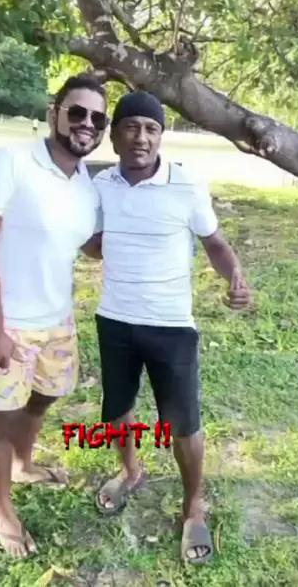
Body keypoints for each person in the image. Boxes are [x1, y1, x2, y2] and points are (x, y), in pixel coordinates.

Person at [92, 91, 250, 564]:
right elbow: (93, 243)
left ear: (161, 136)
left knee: (183, 423)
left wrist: (235, 277)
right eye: (131, 126)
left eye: (151, 128)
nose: (141, 137)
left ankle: (192, 505)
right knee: (117, 410)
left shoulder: (186, 186)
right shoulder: (100, 185)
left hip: (172, 326)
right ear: (114, 134)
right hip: (115, 319)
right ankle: (131, 471)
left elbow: (215, 243)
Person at [0, 76, 109, 558]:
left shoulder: (86, 184)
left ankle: (22, 464)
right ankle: (3, 507)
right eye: (77, 112)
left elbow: (91, 245)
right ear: (53, 113)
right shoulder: (9, 163)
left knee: (45, 397)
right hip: (10, 322)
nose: (87, 124)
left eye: (98, 118)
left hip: (58, 320)